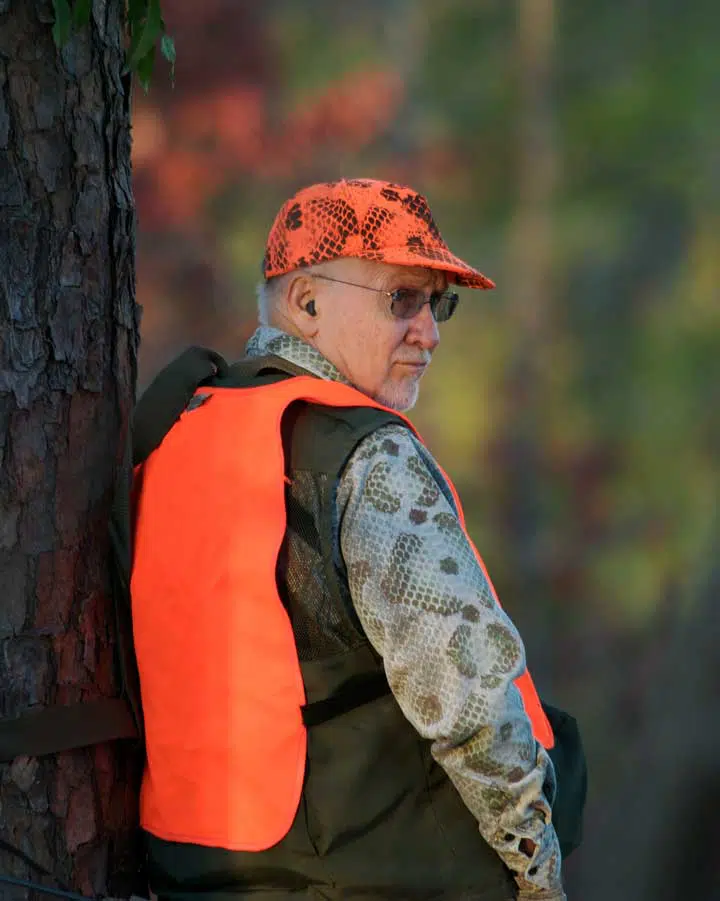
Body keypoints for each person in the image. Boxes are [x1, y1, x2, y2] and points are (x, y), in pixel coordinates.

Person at [132, 178, 585, 901]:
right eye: (402, 299)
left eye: (438, 303)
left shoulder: (176, 430)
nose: (430, 331)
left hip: (196, 878)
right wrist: (539, 875)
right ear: (308, 302)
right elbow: (472, 708)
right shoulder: (369, 459)